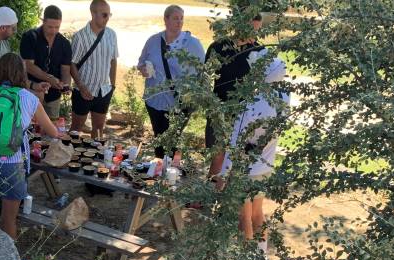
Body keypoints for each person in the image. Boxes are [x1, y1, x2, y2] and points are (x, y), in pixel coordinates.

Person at [0, 53, 58, 245]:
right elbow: (51, 130)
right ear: (22, 74)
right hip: (14, 163)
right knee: (9, 219)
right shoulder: (28, 98)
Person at [219, 49, 288, 260]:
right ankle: (261, 257)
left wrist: (224, 173)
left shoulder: (251, 102)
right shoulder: (283, 100)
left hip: (246, 168)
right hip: (265, 164)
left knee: (243, 216)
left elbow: (236, 141)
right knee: (258, 213)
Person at [136, 5, 205, 159]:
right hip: (154, 100)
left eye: (181, 18)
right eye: (175, 18)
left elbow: (202, 72)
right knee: (159, 137)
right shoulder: (153, 41)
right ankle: (160, 172)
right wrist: (144, 70)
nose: (179, 22)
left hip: (179, 103)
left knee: (172, 141)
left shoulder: (193, 44)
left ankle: (166, 175)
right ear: (165, 19)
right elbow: (141, 63)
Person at [205, 13, 265, 182]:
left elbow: (263, 87)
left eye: (256, 31)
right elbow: (203, 78)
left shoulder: (259, 52)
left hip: (243, 115)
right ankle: (209, 195)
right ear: (238, 24)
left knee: (235, 160)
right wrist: (209, 102)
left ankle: (226, 202)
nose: (253, 35)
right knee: (216, 155)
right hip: (217, 111)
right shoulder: (218, 47)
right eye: (249, 29)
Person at [0, 7, 50, 114]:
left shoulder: (4, 43)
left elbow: (11, 76)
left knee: (37, 96)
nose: (15, 32)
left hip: (1, 99)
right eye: (13, 28)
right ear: (3, 28)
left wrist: (34, 86)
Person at [69, 0, 119, 139]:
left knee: (98, 129)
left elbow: (114, 60)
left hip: (104, 90)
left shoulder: (111, 34)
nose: (107, 18)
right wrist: (81, 86)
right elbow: (71, 64)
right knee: (76, 129)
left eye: (109, 15)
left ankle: (96, 157)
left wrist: (112, 85)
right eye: (104, 15)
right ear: (93, 14)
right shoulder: (80, 37)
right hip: (83, 91)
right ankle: (69, 156)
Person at [20, 5, 72, 120]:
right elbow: (28, 66)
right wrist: (49, 78)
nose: (53, 31)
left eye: (57, 27)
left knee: (52, 132)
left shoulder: (64, 43)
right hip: (32, 91)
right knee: (31, 130)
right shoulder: (30, 37)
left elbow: (65, 70)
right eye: (50, 27)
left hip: (54, 96)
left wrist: (66, 85)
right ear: (43, 21)